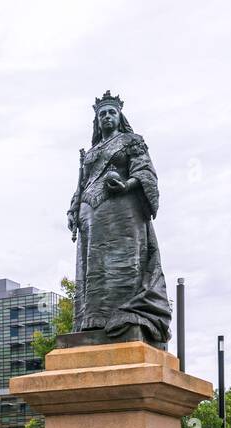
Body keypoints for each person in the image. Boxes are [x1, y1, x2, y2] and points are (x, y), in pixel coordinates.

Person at [68, 91, 172, 345]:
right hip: (90, 216)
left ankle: (126, 314)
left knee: (122, 265)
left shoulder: (131, 141)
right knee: (93, 267)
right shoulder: (91, 152)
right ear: (96, 119)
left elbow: (146, 172)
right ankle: (92, 320)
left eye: (111, 112)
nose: (106, 117)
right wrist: (72, 209)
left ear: (119, 115)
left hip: (121, 212)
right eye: (101, 113)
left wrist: (127, 185)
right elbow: (81, 184)